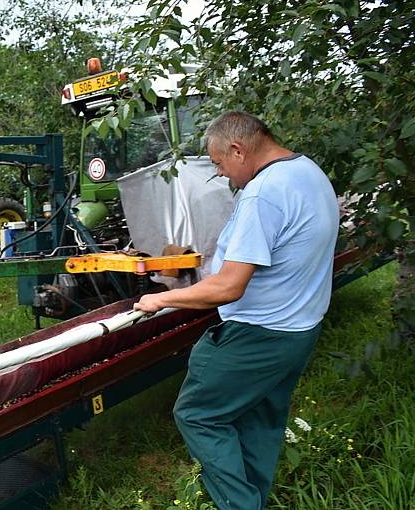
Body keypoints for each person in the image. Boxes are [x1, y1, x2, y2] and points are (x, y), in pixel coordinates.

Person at [134, 110, 339, 510]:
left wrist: (162, 299)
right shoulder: (307, 171)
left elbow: (229, 286)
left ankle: (240, 505)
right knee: (257, 419)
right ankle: (253, 499)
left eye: (219, 164)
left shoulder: (264, 194)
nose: (224, 175)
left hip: (260, 333)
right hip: (299, 328)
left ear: (237, 149)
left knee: (197, 414)